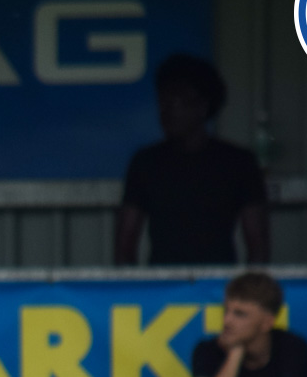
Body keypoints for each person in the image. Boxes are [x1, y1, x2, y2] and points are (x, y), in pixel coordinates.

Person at [115, 54, 269, 266]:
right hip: (162, 284)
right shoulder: (146, 164)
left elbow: (258, 245)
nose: (166, 111)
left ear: (202, 107)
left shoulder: (238, 163)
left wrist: (246, 288)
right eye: (163, 101)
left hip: (220, 284)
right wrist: (135, 286)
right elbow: (125, 244)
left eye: (176, 102)